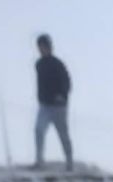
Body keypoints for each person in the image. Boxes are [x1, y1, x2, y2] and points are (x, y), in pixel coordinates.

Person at [34, 34, 73, 171]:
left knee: (63, 134)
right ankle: (39, 162)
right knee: (39, 130)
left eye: (43, 46)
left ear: (49, 47)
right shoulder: (38, 65)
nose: (41, 49)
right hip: (44, 105)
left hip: (58, 107)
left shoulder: (57, 64)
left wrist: (62, 95)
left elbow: (67, 82)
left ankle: (69, 162)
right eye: (39, 46)